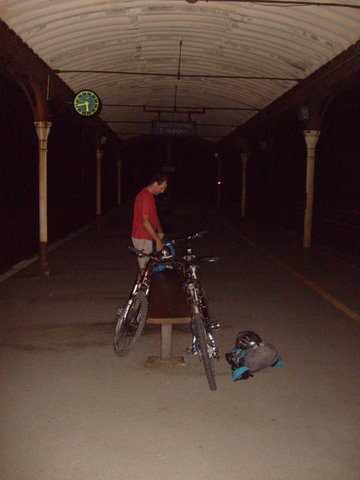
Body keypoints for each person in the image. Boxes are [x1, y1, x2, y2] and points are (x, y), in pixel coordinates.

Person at [131, 173, 168, 270]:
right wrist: (157, 240)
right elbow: (145, 222)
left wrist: (159, 230)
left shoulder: (149, 196)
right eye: (162, 188)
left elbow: (154, 216)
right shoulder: (145, 197)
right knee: (145, 269)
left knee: (148, 267)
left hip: (147, 236)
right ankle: (142, 285)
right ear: (155, 183)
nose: (162, 191)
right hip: (142, 237)